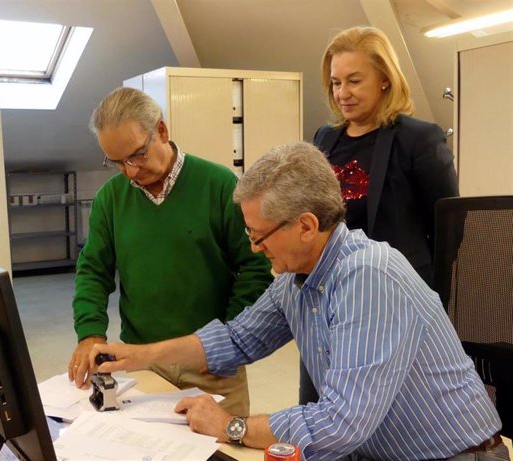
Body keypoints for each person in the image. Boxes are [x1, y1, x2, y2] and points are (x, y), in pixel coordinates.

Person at [90, 142, 506, 461]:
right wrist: (138, 357)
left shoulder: (368, 276)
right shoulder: (298, 277)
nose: (254, 248)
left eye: (259, 235)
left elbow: (340, 424)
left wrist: (231, 426)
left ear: (306, 226)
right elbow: (236, 340)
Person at [68, 87, 272, 415]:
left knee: (221, 450)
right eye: (117, 162)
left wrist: (224, 342)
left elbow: (255, 268)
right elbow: (93, 270)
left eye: (137, 155)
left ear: (161, 131)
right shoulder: (111, 198)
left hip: (211, 366)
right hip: (142, 361)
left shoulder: (219, 185)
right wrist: (90, 333)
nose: (131, 171)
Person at [301, 25, 460, 406]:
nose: (342, 93)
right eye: (336, 82)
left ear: (385, 79)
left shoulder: (419, 138)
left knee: (379, 413)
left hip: (392, 304)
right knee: (323, 407)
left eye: (354, 80)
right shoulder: (325, 138)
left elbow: (449, 232)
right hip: (331, 303)